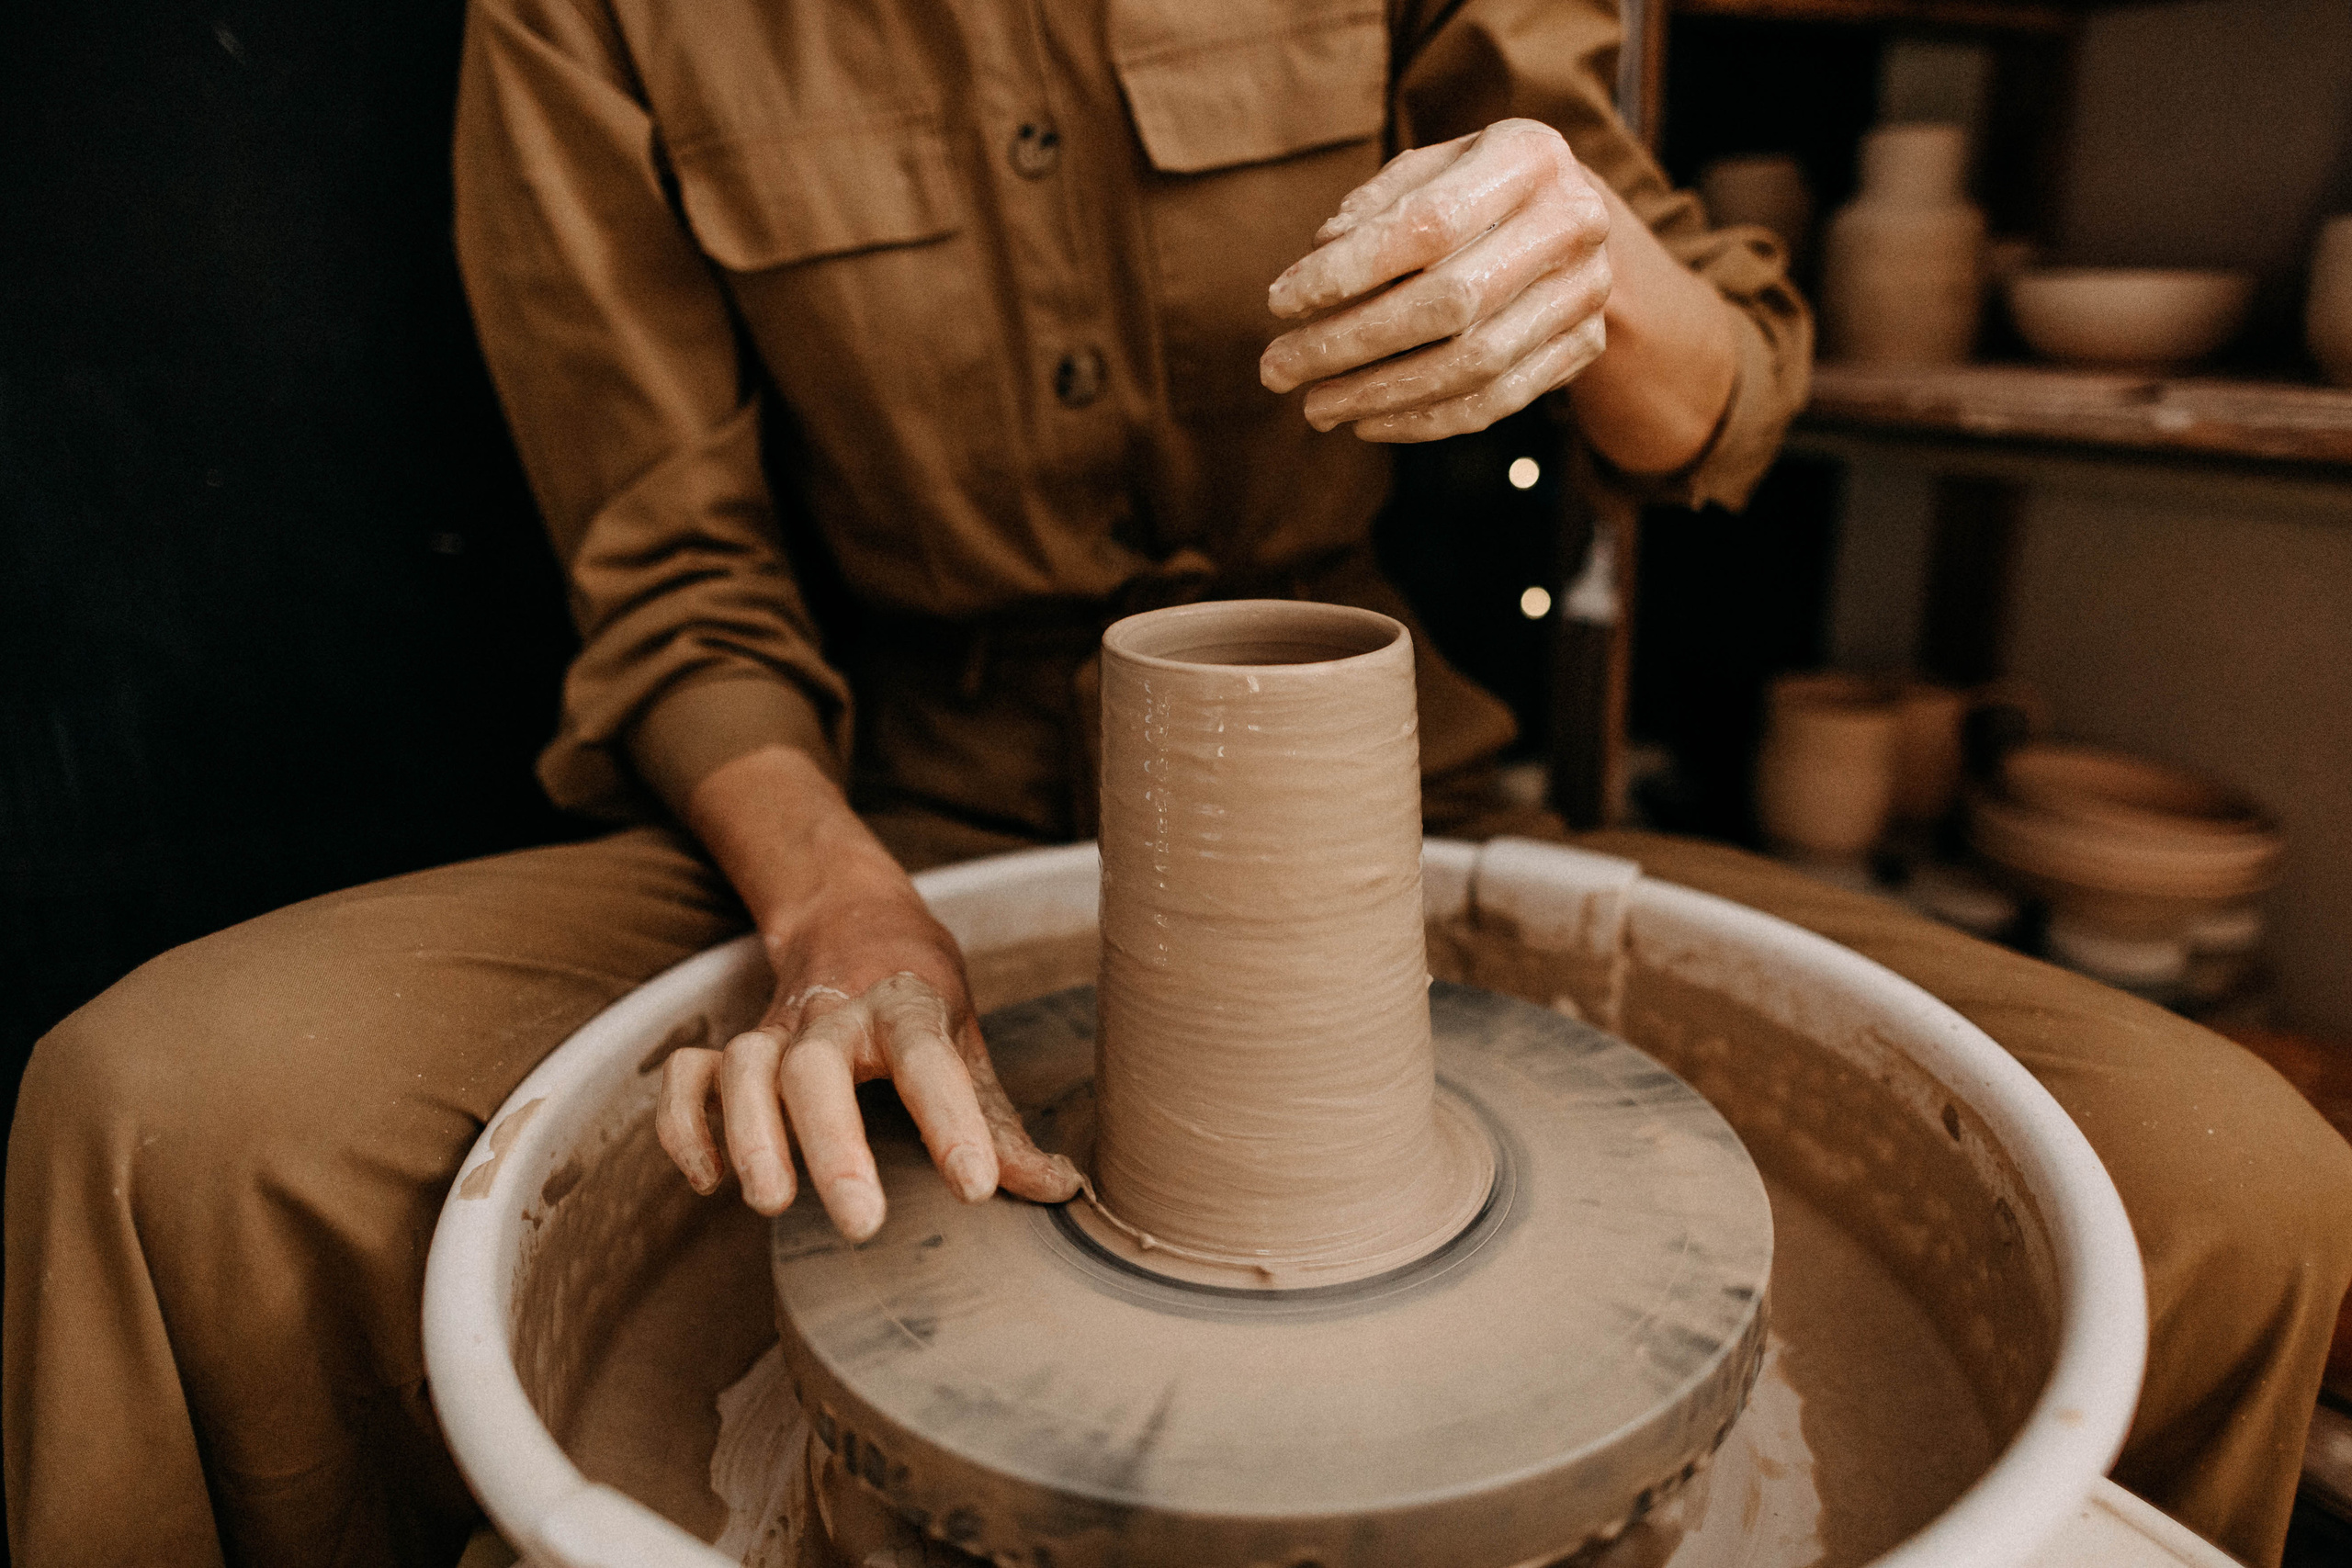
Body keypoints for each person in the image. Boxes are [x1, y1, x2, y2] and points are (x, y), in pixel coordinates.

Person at [6, 3, 2346, 1566]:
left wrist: (1579, 250)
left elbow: (1708, 408)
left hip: (1389, 806)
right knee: (159, 1115)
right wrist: (831, 912)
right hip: (882, 805)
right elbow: (677, 593)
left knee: (2233, 1180)